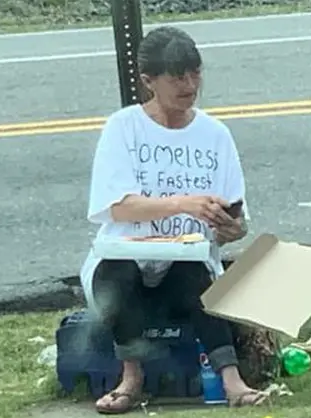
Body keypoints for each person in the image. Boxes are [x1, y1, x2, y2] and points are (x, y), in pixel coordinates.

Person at [78, 26, 270, 413]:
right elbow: (118, 207)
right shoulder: (124, 128)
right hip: (125, 257)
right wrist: (182, 204)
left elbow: (236, 217)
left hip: (188, 260)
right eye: (177, 77)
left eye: (195, 73)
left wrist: (232, 229)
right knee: (119, 273)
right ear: (149, 81)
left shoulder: (215, 134)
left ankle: (232, 381)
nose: (189, 84)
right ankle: (130, 378)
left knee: (193, 273)